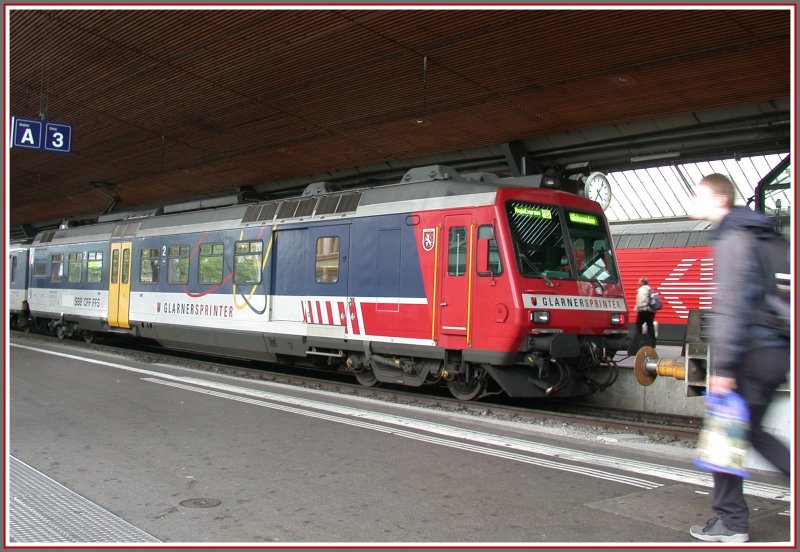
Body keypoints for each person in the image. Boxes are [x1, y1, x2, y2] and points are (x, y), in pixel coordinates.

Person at [688, 173, 790, 543]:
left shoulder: (734, 238)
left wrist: (725, 368)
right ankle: (730, 519)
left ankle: (731, 522)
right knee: (754, 434)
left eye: (698, 197)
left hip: (750, 354)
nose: (693, 204)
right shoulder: (769, 236)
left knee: (724, 436)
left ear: (719, 200)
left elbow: (731, 306)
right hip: (778, 351)